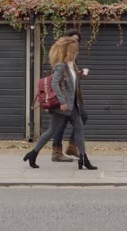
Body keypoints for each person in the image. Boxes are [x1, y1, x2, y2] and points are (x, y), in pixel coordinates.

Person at [23, 36, 97, 170]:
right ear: (68, 50)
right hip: (62, 107)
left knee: (79, 129)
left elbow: (70, 83)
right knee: (52, 131)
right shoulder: (60, 66)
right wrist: (62, 102)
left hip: (73, 105)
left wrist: (80, 75)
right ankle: (33, 154)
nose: (77, 52)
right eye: (75, 50)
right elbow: (54, 84)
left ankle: (84, 158)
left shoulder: (72, 65)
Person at [51, 29, 87, 162]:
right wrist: (62, 100)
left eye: (77, 40)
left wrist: (79, 75)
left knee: (82, 117)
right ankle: (57, 151)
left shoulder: (72, 59)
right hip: (65, 98)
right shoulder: (61, 58)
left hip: (73, 98)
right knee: (59, 125)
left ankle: (72, 146)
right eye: (73, 40)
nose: (76, 42)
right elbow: (58, 80)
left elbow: (71, 78)